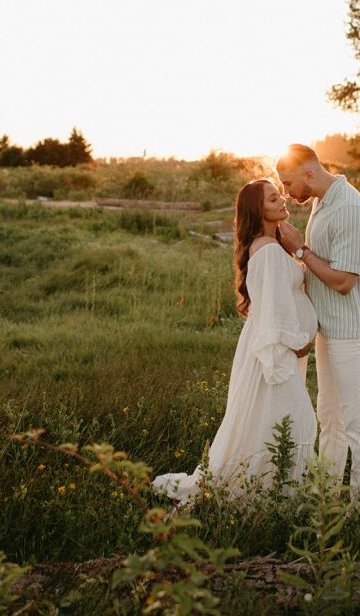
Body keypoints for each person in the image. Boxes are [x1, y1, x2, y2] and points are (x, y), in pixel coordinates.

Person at [152, 178, 318, 503]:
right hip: (274, 349)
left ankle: (272, 496)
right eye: (273, 199)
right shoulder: (268, 251)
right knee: (294, 419)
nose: (281, 200)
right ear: (259, 211)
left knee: (269, 420)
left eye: (278, 195)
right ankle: (265, 498)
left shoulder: (271, 246)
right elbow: (272, 309)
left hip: (273, 345)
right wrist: (299, 343)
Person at [276, 144, 360, 509]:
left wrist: (301, 251)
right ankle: (326, 498)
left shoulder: (350, 209)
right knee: (330, 416)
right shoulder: (322, 202)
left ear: (309, 172)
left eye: (289, 183)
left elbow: (343, 281)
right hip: (330, 329)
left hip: (353, 330)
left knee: (357, 419)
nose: (287, 192)